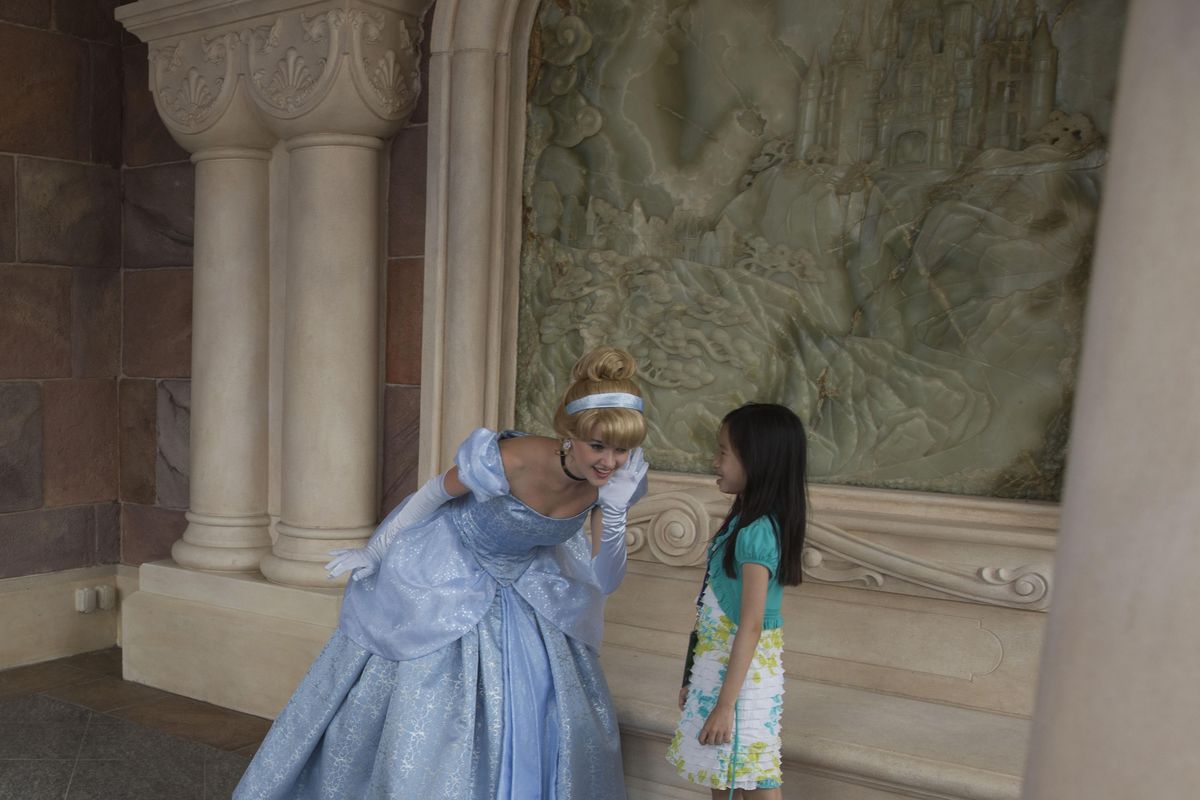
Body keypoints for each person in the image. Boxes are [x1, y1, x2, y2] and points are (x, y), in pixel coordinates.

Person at [233, 346, 650, 800]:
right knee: (426, 703)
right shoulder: (511, 457)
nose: (609, 462)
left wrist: (614, 513)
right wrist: (375, 551)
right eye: (598, 446)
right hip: (448, 570)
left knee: (550, 705)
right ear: (569, 435)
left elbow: (603, 580)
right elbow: (432, 495)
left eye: (622, 450)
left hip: (528, 585)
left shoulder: (613, 485)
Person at [665, 403, 808, 799]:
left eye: (724, 452)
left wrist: (726, 705)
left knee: (751, 774)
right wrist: (692, 677)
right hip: (722, 668)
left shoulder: (757, 532)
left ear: (756, 459)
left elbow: (751, 624)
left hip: (740, 679)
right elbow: (707, 610)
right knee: (727, 771)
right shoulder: (745, 522)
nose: (715, 461)